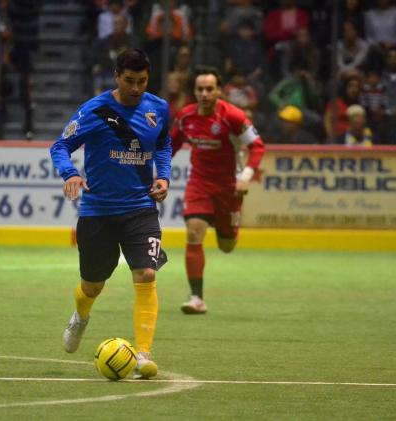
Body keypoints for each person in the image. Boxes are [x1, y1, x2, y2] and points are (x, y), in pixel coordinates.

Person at [50, 49, 171, 379]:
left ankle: (143, 354)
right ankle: (80, 315)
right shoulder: (95, 110)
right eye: (129, 81)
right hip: (98, 212)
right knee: (92, 286)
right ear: (116, 77)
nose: (135, 88)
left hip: (140, 209)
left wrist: (163, 175)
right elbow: (60, 147)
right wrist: (70, 174)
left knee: (146, 275)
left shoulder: (158, 108)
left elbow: (162, 143)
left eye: (142, 82)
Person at [171, 67, 265, 314]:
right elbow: (170, 146)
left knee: (226, 245)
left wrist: (245, 177)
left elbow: (257, 146)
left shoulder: (233, 116)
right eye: (200, 89)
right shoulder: (186, 117)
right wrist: (156, 173)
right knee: (193, 234)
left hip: (228, 189)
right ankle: (196, 298)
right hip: (199, 184)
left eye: (209, 89)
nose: (204, 93)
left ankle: (229, 227)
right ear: (194, 91)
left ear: (219, 91)